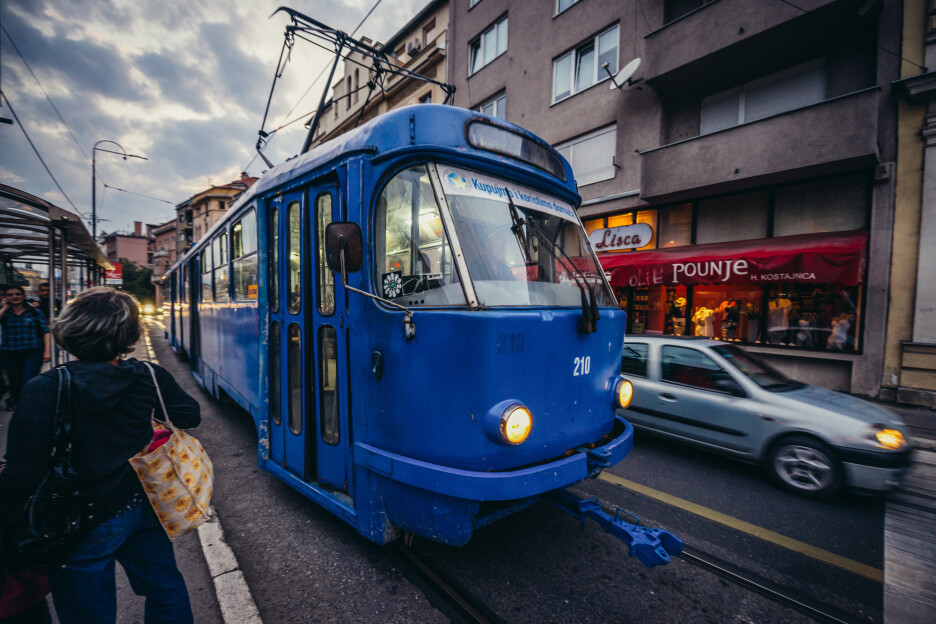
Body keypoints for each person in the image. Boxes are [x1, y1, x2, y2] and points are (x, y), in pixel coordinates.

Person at [0, 287, 201, 624]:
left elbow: (23, 471)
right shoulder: (147, 375)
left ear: (70, 330)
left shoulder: (46, 388)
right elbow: (189, 415)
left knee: (87, 611)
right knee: (165, 589)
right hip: (142, 506)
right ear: (128, 334)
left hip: (78, 519)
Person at [0, 287, 50, 411]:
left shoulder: (34, 312)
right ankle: (15, 399)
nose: (14, 297)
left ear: (23, 296)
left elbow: (46, 331)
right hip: (10, 351)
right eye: (10, 295)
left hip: (32, 351)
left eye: (17, 294)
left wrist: (47, 351)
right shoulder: (4, 313)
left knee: (29, 379)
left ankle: (28, 403)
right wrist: (5, 308)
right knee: (14, 379)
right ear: (6, 297)